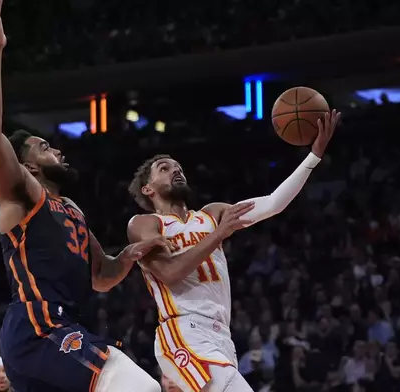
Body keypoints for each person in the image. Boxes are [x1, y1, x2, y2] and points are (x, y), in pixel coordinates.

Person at [0, 1, 175, 391]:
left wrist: (131, 256)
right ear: (28, 166)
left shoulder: (70, 209)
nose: (58, 151)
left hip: (61, 330)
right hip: (38, 327)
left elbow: (101, 276)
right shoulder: (22, 196)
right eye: (45, 147)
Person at [127, 110, 341, 392]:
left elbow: (273, 203)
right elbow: (169, 273)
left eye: (178, 166)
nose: (176, 170)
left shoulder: (211, 214)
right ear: (148, 188)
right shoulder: (145, 224)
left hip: (221, 336)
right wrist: (219, 234)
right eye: (164, 168)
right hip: (183, 331)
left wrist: (313, 156)